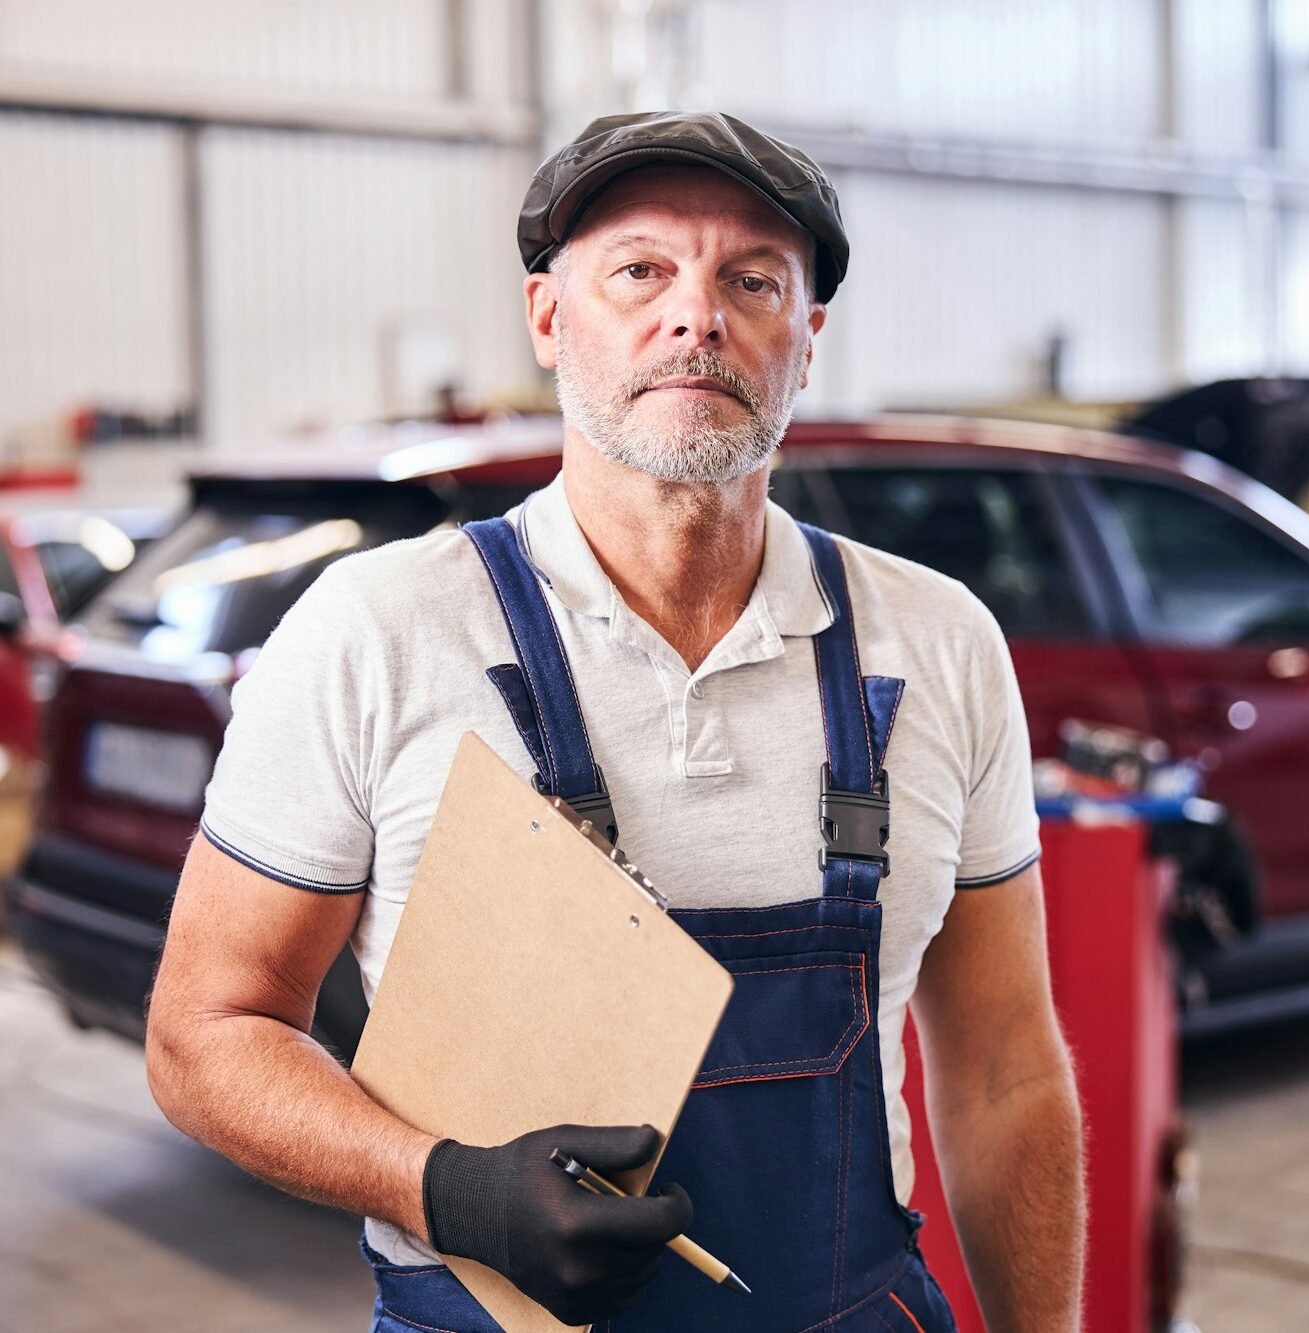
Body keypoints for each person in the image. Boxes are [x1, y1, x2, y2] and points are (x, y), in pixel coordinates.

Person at [146, 111, 1085, 1331]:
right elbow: (204, 1029)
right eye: (639, 269)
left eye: (752, 280)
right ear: (548, 319)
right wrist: (447, 1189)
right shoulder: (380, 630)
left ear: (808, 339)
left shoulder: (940, 642)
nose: (695, 315)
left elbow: (1008, 1070)